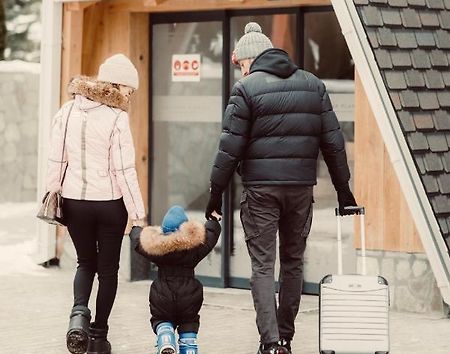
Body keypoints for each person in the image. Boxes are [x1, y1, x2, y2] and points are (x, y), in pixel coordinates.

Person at [205, 22, 357, 354]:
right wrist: (344, 191)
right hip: (301, 189)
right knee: (293, 262)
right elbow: (333, 142)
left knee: (262, 265)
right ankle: (286, 336)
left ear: (250, 59)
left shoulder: (246, 89)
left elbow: (229, 149)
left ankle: (270, 343)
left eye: (241, 64)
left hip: (260, 191)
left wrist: (215, 194)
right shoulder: (313, 85)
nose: (241, 70)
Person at [45, 53, 146, 354]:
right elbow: (124, 170)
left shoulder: (66, 112)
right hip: (109, 205)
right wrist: (138, 214)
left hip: (75, 202)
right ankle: (98, 337)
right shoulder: (117, 117)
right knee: (108, 271)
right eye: (129, 89)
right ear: (116, 83)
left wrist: (54, 194)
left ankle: (78, 317)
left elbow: (56, 159)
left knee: (85, 262)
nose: (130, 95)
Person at [129, 205, 221, 354]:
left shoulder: (157, 248)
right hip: (190, 295)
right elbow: (211, 235)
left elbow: (138, 241)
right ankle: (189, 347)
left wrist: (136, 227)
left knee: (161, 318)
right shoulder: (195, 247)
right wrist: (213, 220)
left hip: (162, 294)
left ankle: (165, 337)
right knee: (189, 322)